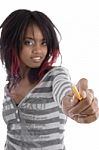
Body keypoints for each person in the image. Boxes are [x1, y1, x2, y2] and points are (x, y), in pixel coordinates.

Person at [0, 9, 99, 150]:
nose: (38, 50)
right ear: (11, 43)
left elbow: (64, 89)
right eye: (28, 42)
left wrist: (71, 101)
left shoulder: (55, 76)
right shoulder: (9, 85)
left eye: (44, 43)